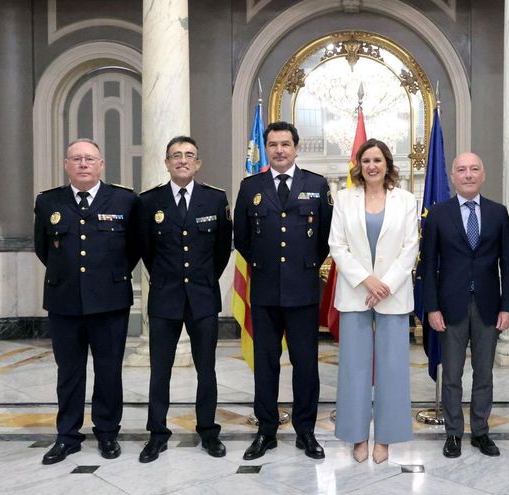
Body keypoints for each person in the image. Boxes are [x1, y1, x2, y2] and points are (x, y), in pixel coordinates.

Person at [33, 139, 140, 464]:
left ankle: (107, 434)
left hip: (109, 302)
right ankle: (68, 436)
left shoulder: (125, 200)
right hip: (64, 302)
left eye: (89, 159)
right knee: (69, 373)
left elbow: (134, 248)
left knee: (109, 372)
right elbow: (43, 248)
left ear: (101, 165)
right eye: (76, 159)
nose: (83, 164)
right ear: (67, 164)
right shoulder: (48, 201)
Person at [233, 121, 333, 460]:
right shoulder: (251, 187)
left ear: (296, 147)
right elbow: (242, 238)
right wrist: (267, 266)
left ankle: (306, 431)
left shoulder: (316, 185)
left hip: (303, 292)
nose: (279, 150)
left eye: (285, 144)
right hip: (264, 291)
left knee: (306, 364)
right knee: (266, 364)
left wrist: (301, 267)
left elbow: (324, 240)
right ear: (266, 148)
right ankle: (266, 430)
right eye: (273, 144)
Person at [137, 136, 232, 463]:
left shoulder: (215, 200)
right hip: (165, 297)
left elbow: (221, 251)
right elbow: (146, 251)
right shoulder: (149, 202)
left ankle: (208, 431)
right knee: (159, 370)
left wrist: (201, 279)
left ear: (198, 163)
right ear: (166, 162)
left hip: (203, 297)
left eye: (189, 155)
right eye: (175, 155)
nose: (182, 160)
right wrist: (169, 278)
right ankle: (157, 434)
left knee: (207, 369)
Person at [329, 139, 419, 464]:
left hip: (393, 295)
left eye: (377, 160)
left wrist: (386, 284)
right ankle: (356, 435)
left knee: (393, 368)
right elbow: (337, 246)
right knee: (354, 368)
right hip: (355, 293)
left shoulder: (406, 200)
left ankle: (386, 437)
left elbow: (410, 247)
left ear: (387, 164)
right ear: (359, 166)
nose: (372, 166)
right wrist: (366, 280)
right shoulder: (343, 198)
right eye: (366, 160)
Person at [421, 152, 509, 458]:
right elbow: (429, 265)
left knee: (484, 373)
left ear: (483, 174)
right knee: (451, 374)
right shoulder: (437, 214)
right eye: (462, 170)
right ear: (452, 176)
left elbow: (508, 264)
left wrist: (508, 306)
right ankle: (453, 433)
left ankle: (480, 431)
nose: (468, 174)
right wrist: (432, 308)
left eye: (474, 168)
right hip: (450, 307)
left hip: (489, 305)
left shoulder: (498, 213)